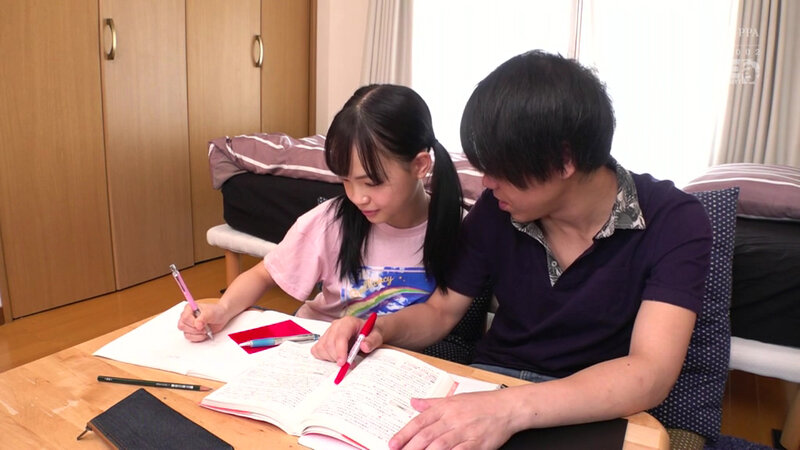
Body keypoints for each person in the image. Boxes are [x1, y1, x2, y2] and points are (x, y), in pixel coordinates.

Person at [311, 50, 713, 449]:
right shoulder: (496, 210)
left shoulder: (673, 220)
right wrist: (379, 328)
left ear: (564, 160)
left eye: (500, 170)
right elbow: (440, 311)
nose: (487, 183)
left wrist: (507, 410)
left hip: (591, 408)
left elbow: (649, 372)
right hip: (491, 382)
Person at [178, 84, 463, 340]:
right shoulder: (331, 221)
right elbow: (264, 274)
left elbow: (441, 316)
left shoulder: (455, 228)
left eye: (372, 182)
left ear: (420, 166)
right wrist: (223, 308)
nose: (357, 198)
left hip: (385, 360)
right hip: (315, 345)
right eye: (346, 180)